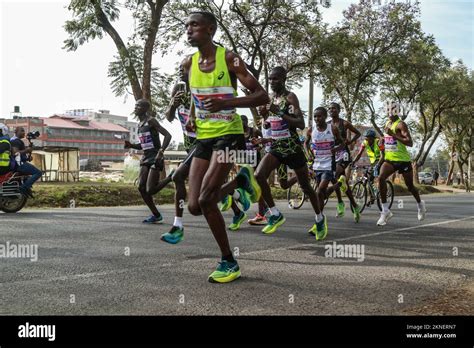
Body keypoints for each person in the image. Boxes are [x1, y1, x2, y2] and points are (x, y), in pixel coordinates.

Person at [182, 11, 269, 283]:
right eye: (186, 26)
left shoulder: (230, 59)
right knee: (195, 206)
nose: (188, 30)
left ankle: (228, 262)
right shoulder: (188, 64)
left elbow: (261, 95)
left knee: (208, 199)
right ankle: (241, 181)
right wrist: (194, 120)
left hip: (229, 135)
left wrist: (226, 104)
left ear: (210, 29)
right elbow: (196, 97)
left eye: (194, 25)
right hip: (204, 138)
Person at [255, 66, 327, 239]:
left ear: (284, 79)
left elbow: (300, 123)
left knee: (306, 187)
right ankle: (275, 214)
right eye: (270, 79)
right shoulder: (270, 98)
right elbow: (270, 124)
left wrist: (277, 111)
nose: (272, 82)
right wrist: (265, 118)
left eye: (276, 79)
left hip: (293, 147)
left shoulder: (290, 97)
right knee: (258, 175)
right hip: (277, 146)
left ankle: (319, 219)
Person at [160, 66, 197, 243]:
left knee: (178, 176)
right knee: (207, 189)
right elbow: (168, 117)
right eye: (180, 69)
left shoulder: (200, 89)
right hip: (190, 146)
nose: (181, 71)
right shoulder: (178, 91)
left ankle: (178, 226)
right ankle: (237, 192)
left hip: (205, 143)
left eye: (185, 68)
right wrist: (173, 106)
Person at [377, 102, 426, 226]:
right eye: (387, 110)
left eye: (391, 110)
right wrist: (382, 141)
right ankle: (385, 210)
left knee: (410, 187)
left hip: (403, 160)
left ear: (397, 111)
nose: (388, 112)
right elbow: (388, 140)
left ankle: (420, 205)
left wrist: (393, 135)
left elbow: (410, 142)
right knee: (381, 178)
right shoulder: (387, 124)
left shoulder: (401, 124)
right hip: (389, 159)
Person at [124, 99, 172, 224]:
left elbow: (168, 135)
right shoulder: (139, 125)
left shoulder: (151, 121)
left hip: (156, 157)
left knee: (150, 190)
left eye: (138, 106)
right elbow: (143, 145)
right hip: (146, 157)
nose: (136, 108)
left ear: (145, 108)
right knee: (141, 187)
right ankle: (156, 215)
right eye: (135, 105)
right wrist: (131, 145)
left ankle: (171, 177)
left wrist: (161, 152)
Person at [322, 103, 362, 222]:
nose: (331, 110)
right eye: (329, 108)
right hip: (333, 153)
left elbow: (358, 133)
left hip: (343, 153)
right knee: (340, 181)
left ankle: (340, 203)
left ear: (339, 110)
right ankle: (354, 206)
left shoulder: (344, 123)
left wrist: (350, 142)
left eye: (334, 108)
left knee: (336, 176)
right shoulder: (327, 124)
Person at [309, 107, 346, 236]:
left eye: (319, 116)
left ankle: (318, 221)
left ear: (325, 117)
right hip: (317, 165)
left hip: (329, 165)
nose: (317, 119)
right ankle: (339, 184)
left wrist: (335, 150)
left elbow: (343, 143)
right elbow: (305, 143)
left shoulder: (333, 129)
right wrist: (309, 154)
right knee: (321, 195)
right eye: (315, 117)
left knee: (319, 192)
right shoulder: (311, 130)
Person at [352, 129, 385, 201]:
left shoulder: (378, 142)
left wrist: (378, 165)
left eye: (368, 138)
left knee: (378, 177)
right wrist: (353, 162)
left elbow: (383, 155)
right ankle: (372, 197)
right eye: (366, 138)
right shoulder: (364, 143)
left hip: (381, 160)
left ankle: (380, 191)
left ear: (373, 138)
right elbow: (359, 154)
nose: (367, 139)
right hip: (373, 162)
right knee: (369, 178)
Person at [10, 127, 43, 197]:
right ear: (16, 131)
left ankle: (26, 188)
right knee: (38, 173)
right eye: (22, 131)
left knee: (27, 177)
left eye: (24, 131)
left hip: (18, 163)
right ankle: (23, 188)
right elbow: (15, 153)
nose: (23, 132)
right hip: (19, 164)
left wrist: (27, 158)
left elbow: (19, 154)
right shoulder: (15, 141)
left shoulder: (16, 140)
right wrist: (27, 150)